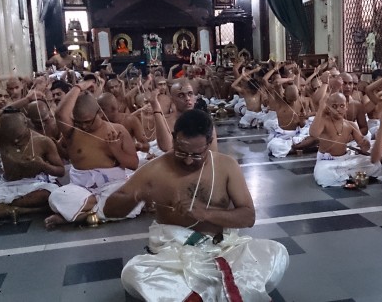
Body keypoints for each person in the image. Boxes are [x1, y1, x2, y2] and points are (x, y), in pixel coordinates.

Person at [104, 109, 289, 301]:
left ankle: (205, 292)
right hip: (174, 258)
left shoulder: (226, 166)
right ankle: (216, 292)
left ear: (209, 143)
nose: (188, 160)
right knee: (133, 273)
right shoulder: (154, 169)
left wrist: (205, 214)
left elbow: (248, 217)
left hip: (225, 249)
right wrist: (135, 196)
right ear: (174, 138)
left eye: (197, 154)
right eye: (181, 151)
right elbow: (109, 210)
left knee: (277, 253)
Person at [44, 79, 139, 228]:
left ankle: (78, 216)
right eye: (79, 122)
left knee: (132, 196)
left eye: (88, 121)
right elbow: (61, 114)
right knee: (56, 197)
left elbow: (133, 164)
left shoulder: (117, 130)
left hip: (112, 186)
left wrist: (116, 150)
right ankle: (98, 211)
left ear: (99, 113)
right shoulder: (72, 132)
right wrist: (78, 87)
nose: (84, 126)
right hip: (81, 189)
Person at [0, 109, 65, 220]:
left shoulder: (43, 141)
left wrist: (43, 166)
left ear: (25, 123)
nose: (15, 140)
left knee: (50, 194)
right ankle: (25, 210)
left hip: (35, 185)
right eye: (10, 137)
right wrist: (3, 112)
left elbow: (61, 171)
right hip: (7, 185)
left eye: (19, 136)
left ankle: (4, 208)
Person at [310, 93, 381, 187]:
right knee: (322, 174)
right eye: (334, 106)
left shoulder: (351, 125)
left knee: (376, 164)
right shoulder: (324, 121)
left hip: (346, 159)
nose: (338, 109)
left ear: (346, 107)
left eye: (342, 106)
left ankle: (344, 175)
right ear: (328, 107)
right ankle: (349, 175)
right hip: (327, 161)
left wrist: (365, 144)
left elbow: (364, 147)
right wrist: (320, 109)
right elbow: (313, 134)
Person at [149, 79, 219, 153]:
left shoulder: (205, 121)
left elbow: (213, 154)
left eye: (190, 94)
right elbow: (166, 148)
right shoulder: (166, 121)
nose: (187, 99)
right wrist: (156, 108)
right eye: (181, 95)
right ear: (172, 100)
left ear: (195, 98)